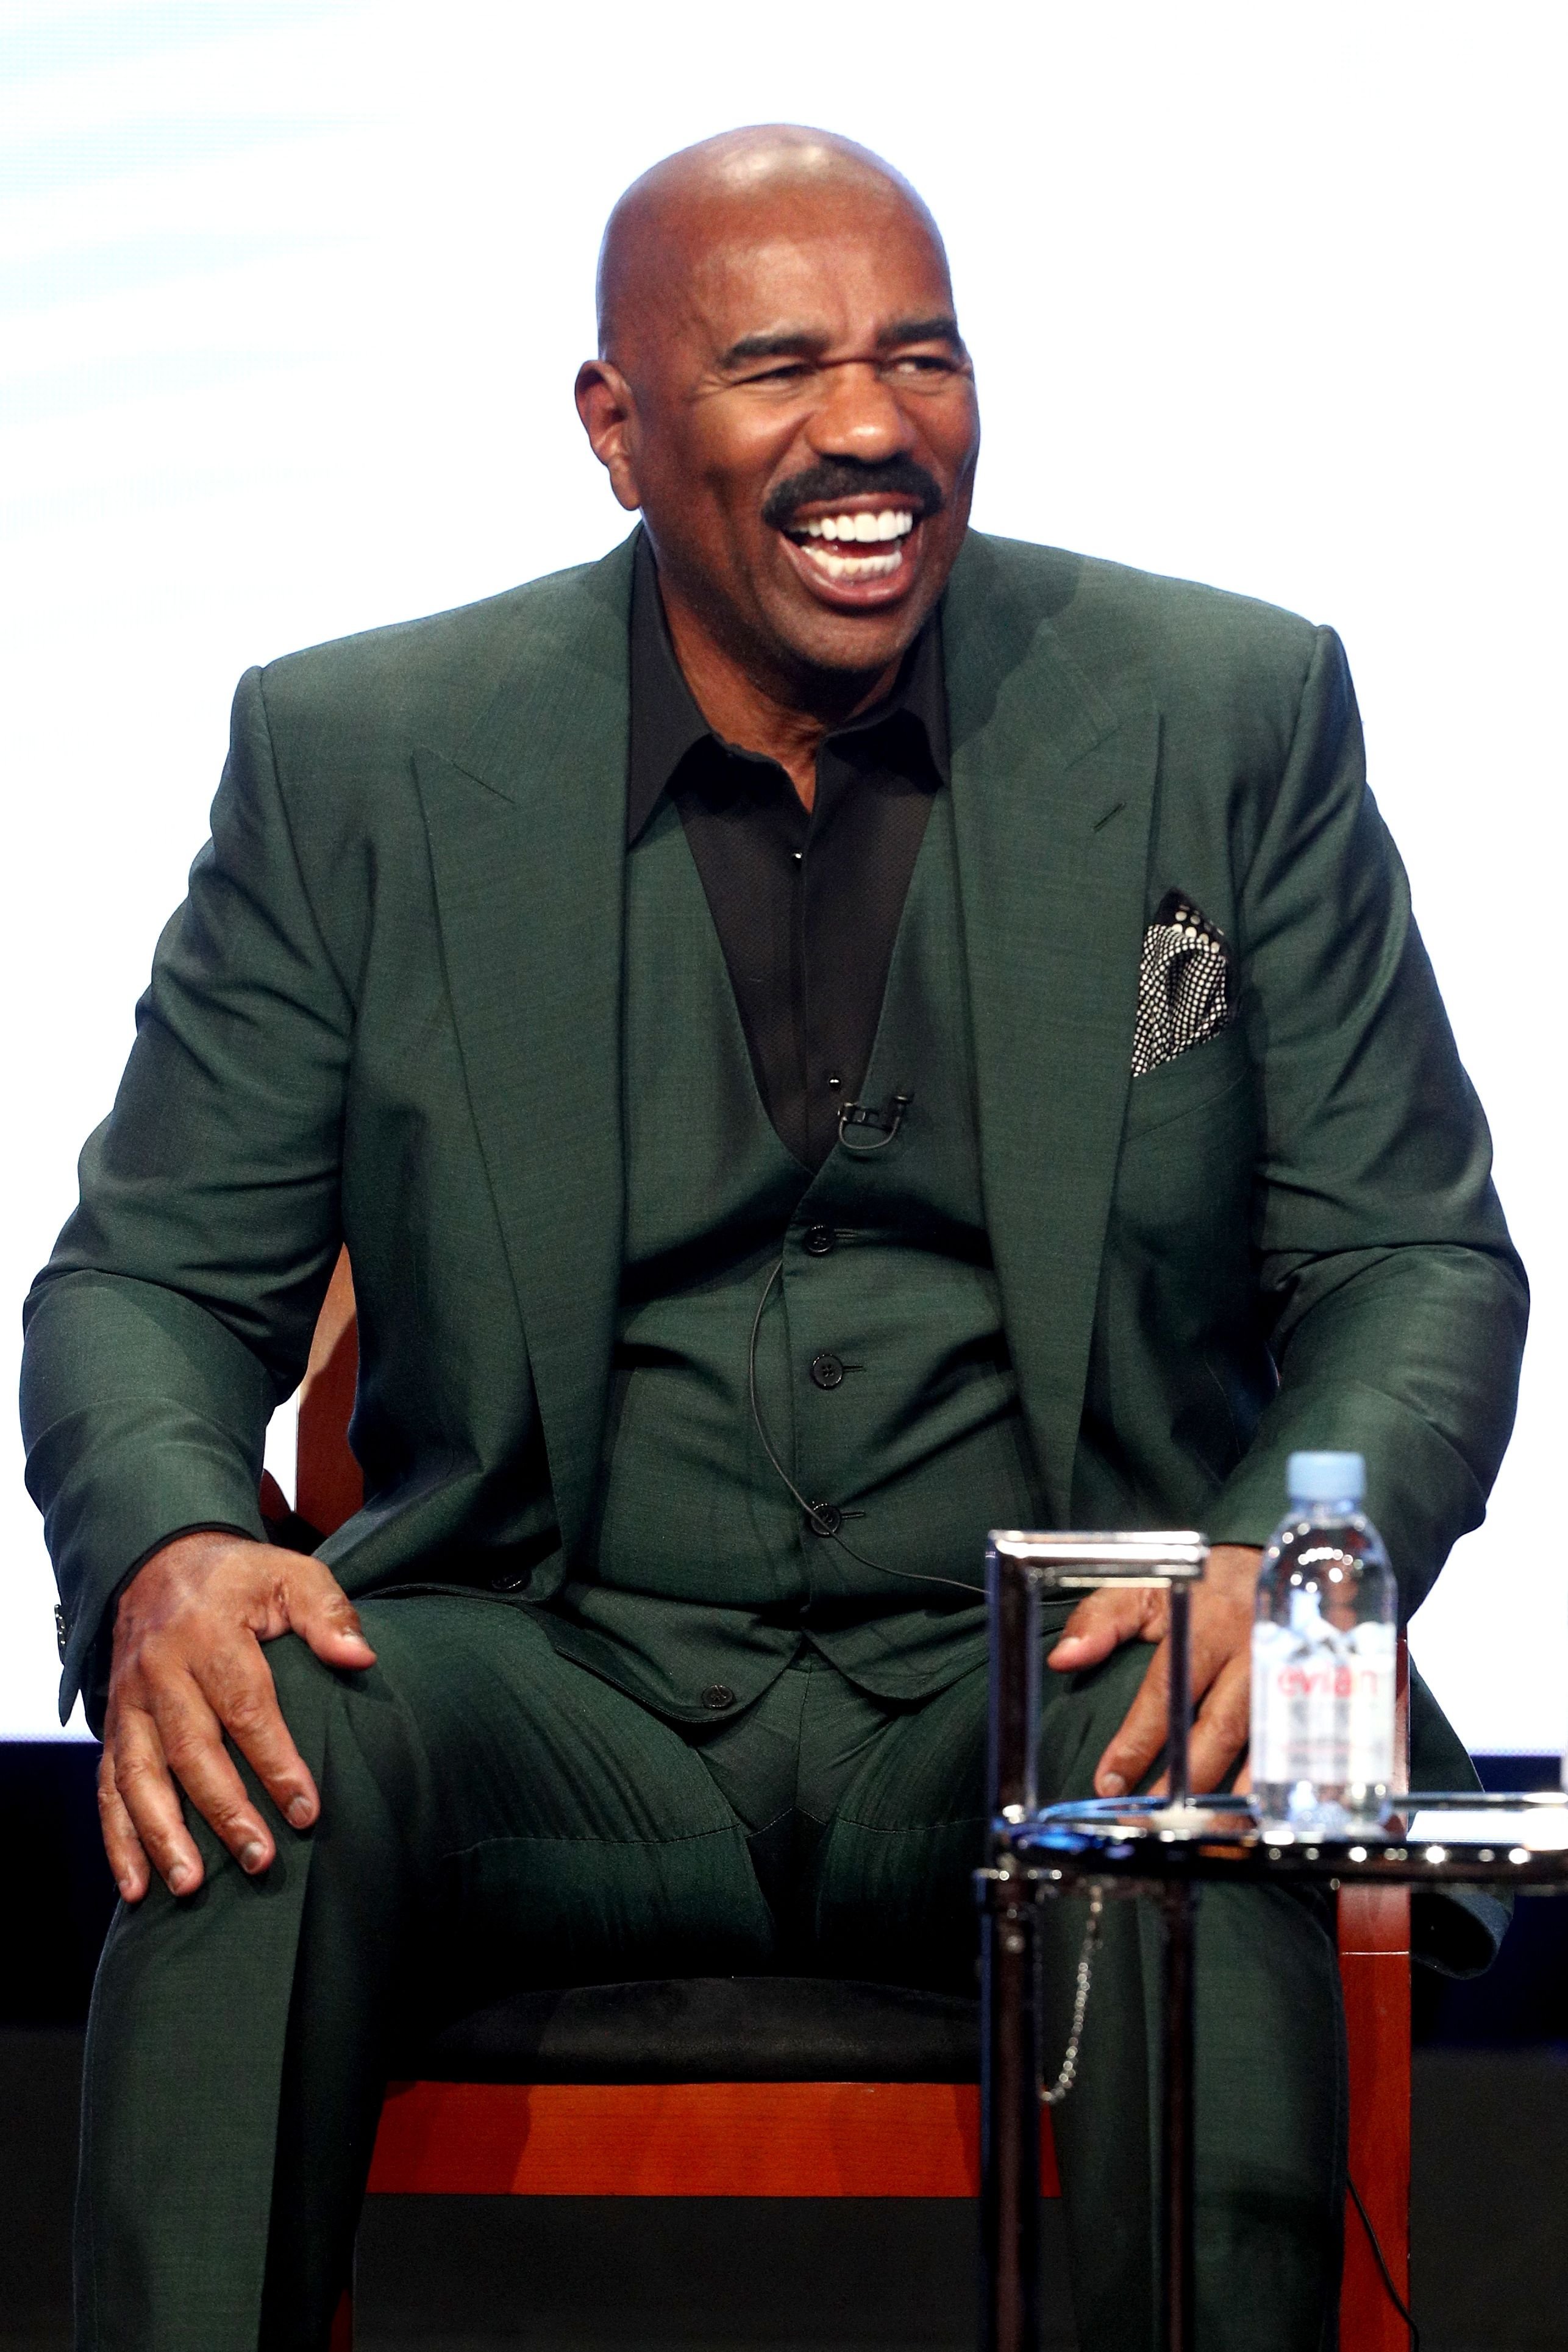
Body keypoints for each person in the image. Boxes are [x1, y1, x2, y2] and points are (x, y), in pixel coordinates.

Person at [21, 124, 1525, 2352]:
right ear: (615, 431)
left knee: (1191, 1783)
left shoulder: (1223, 709)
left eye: (920, 356)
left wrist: (1276, 1559)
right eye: (779, 365)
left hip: (1038, 1665)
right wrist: (165, 1548)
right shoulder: (359, 759)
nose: (870, 426)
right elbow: (150, 1277)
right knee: (255, 1765)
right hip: (550, 1669)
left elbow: (1412, 1253)